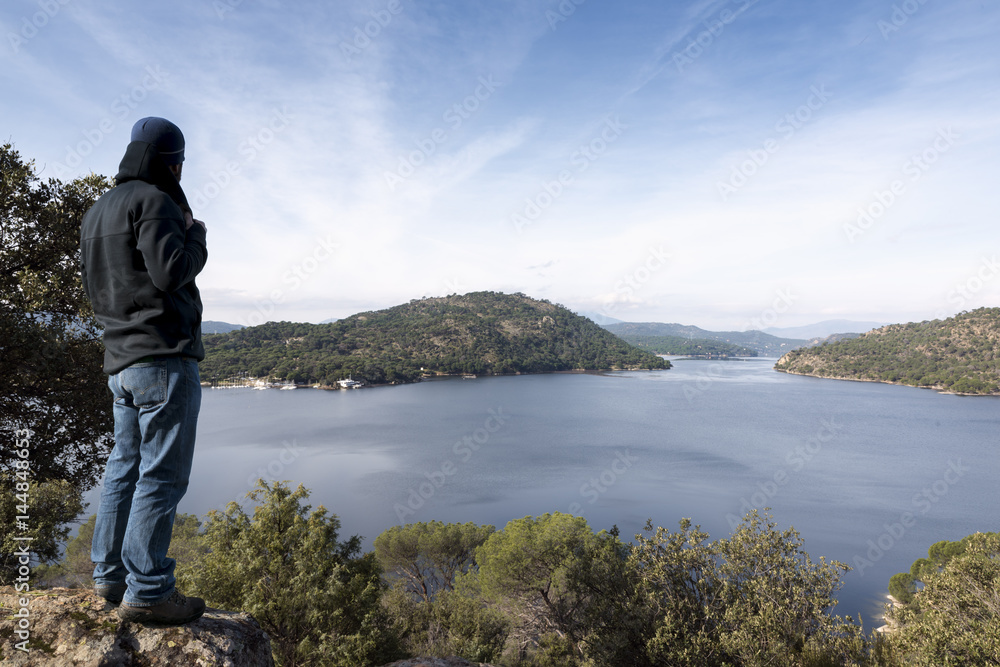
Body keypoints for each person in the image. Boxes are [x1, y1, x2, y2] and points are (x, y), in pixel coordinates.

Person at [79, 117, 208, 624]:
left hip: (120, 361)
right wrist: (196, 237)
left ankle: (108, 576)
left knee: (123, 468)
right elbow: (171, 271)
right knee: (162, 476)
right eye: (178, 162)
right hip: (163, 358)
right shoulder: (155, 201)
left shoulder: (96, 212)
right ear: (169, 161)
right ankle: (149, 591)